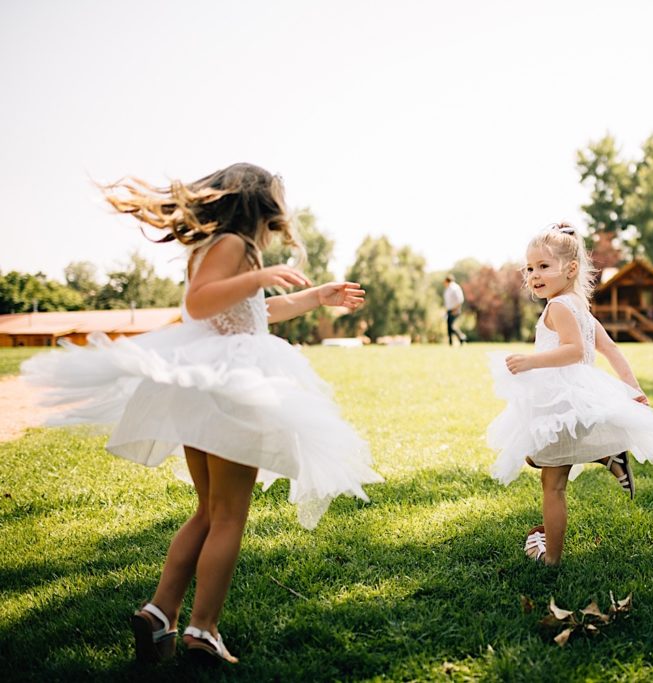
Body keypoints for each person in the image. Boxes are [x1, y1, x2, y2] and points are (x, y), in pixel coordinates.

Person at [22, 163, 384, 664]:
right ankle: (203, 629)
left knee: (209, 511)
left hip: (207, 385)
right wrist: (259, 273)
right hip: (229, 385)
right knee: (230, 514)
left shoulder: (218, 248)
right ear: (259, 203)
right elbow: (199, 302)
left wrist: (314, 297)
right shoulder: (234, 244)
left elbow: (255, 311)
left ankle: (159, 613)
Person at [486, 223, 653, 565]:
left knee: (552, 484)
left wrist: (531, 361)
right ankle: (609, 457)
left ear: (570, 268)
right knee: (535, 456)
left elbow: (574, 351)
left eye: (543, 266)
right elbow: (611, 350)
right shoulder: (580, 308)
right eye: (529, 268)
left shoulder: (559, 307)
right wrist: (632, 388)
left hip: (560, 399)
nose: (534, 275)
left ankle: (552, 559)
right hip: (574, 397)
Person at [443, 275, 468, 345]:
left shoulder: (455, 288)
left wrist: (455, 309)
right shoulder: (448, 289)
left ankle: (462, 337)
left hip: (455, 310)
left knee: (451, 326)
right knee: (449, 327)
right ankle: (451, 342)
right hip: (449, 309)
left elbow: (460, 300)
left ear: (447, 281)